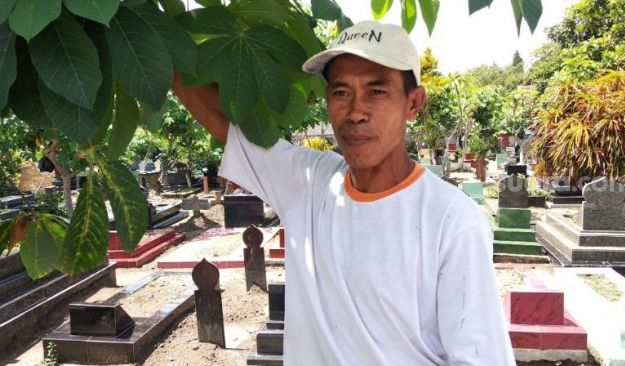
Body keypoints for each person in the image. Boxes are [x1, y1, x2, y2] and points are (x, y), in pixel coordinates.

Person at [174, 20, 515, 366]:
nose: (355, 113)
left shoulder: (452, 220)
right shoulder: (308, 183)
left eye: (376, 91)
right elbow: (222, 120)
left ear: (414, 103)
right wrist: (150, 32)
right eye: (341, 93)